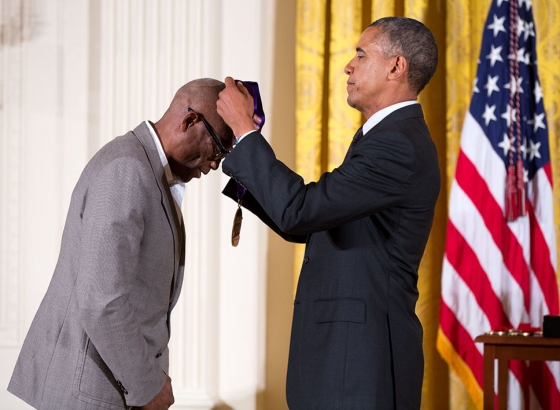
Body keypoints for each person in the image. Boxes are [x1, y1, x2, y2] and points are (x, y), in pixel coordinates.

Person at [217, 17, 440, 409]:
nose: (348, 66)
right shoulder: (387, 138)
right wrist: (244, 161)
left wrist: (246, 134)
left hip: (358, 367)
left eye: (360, 54)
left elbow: (301, 210)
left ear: (396, 67)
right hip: (345, 364)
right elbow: (316, 222)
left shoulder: (397, 145)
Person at [8, 78, 234, 410]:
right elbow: (103, 301)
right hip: (90, 394)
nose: (216, 164)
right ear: (189, 121)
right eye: (218, 147)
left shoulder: (145, 169)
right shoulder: (127, 169)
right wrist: (148, 388)